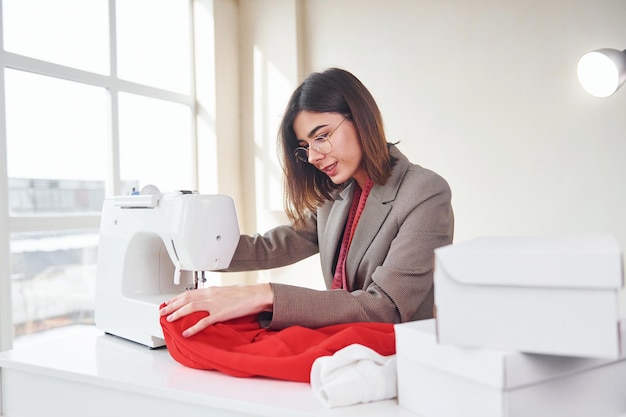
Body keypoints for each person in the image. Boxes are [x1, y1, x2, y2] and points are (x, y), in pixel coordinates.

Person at [160, 68, 454, 338]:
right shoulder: (336, 197)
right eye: (305, 146)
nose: (312, 156)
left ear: (360, 118)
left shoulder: (424, 193)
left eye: (322, 136)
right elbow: (271, 247)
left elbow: (385, 307)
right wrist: (191, 247)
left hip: (403, 359)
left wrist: (265, 294)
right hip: (349, 347)